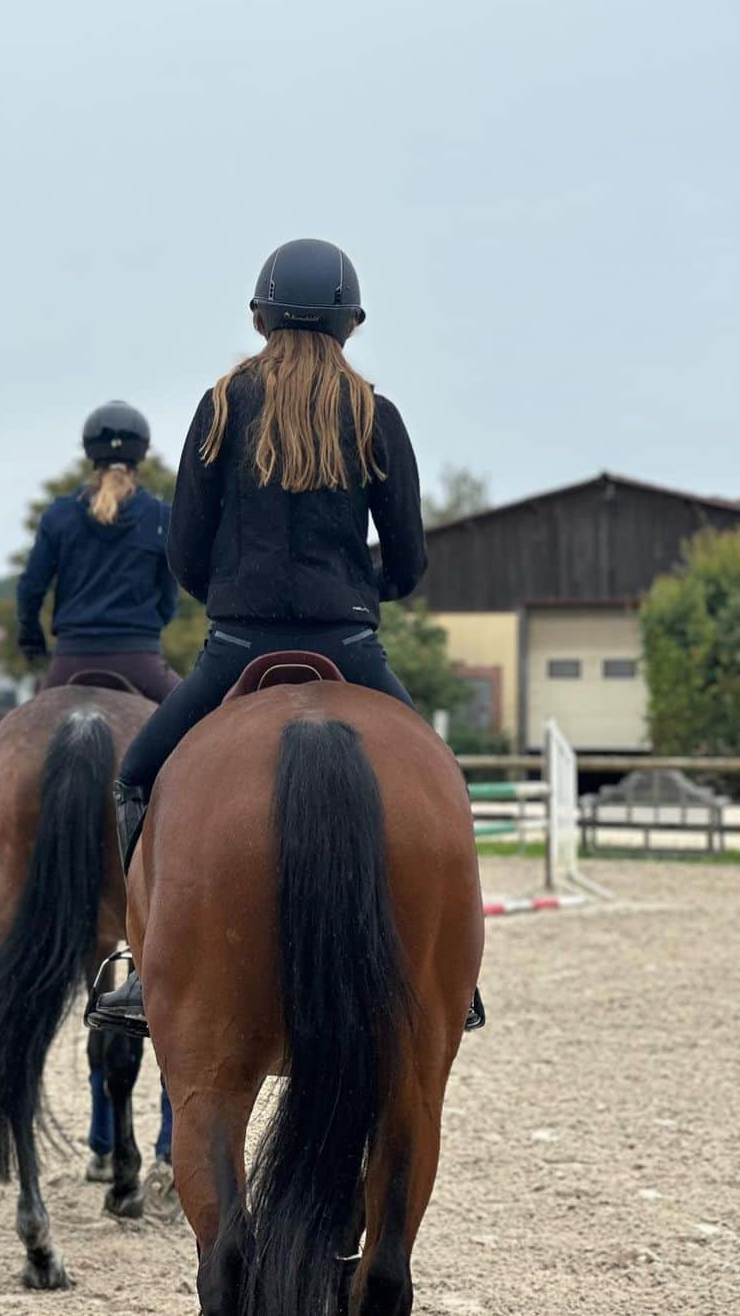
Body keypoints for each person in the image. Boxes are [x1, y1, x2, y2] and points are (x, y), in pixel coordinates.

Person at [92, 237, 484, 1036]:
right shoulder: (378, 413)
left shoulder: (223, 404)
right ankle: (457, 975)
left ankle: (141, 969)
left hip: (237, 643)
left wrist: (231, 603)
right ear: (353, 322)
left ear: (258, 316)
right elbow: (407, 557)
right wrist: (364, 596)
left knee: (135, 776)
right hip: (351, 643)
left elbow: (187, 550)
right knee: (442, 784)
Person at [16, 401, 181, 703]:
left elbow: (31, 588)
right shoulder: (161, 517)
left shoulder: (59, 515)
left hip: (70, 658)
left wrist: (32, 639)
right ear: (141, 453)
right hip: (140, 659)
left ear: (89, 451)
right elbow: (169, 597)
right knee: (199, 721)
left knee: (15, 732)